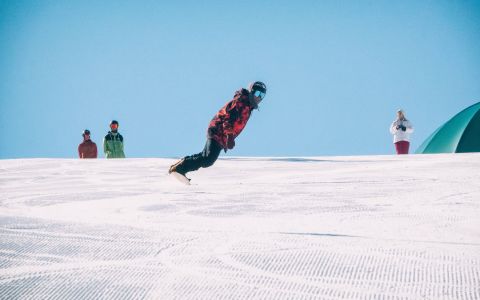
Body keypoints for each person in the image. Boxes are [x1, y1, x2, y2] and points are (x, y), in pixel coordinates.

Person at [169, 81, 267, 179]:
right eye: (257, 93)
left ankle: (181, 167)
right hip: (218, 131)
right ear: (251, 91)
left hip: (222, 135)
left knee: (206, 157)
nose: (259, 97)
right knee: (208, 159)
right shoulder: (241, 102)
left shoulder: (248, 106)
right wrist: (230, 135)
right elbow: (229, 117)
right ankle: (180, 168)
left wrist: (229, 137)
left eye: (262, 95)